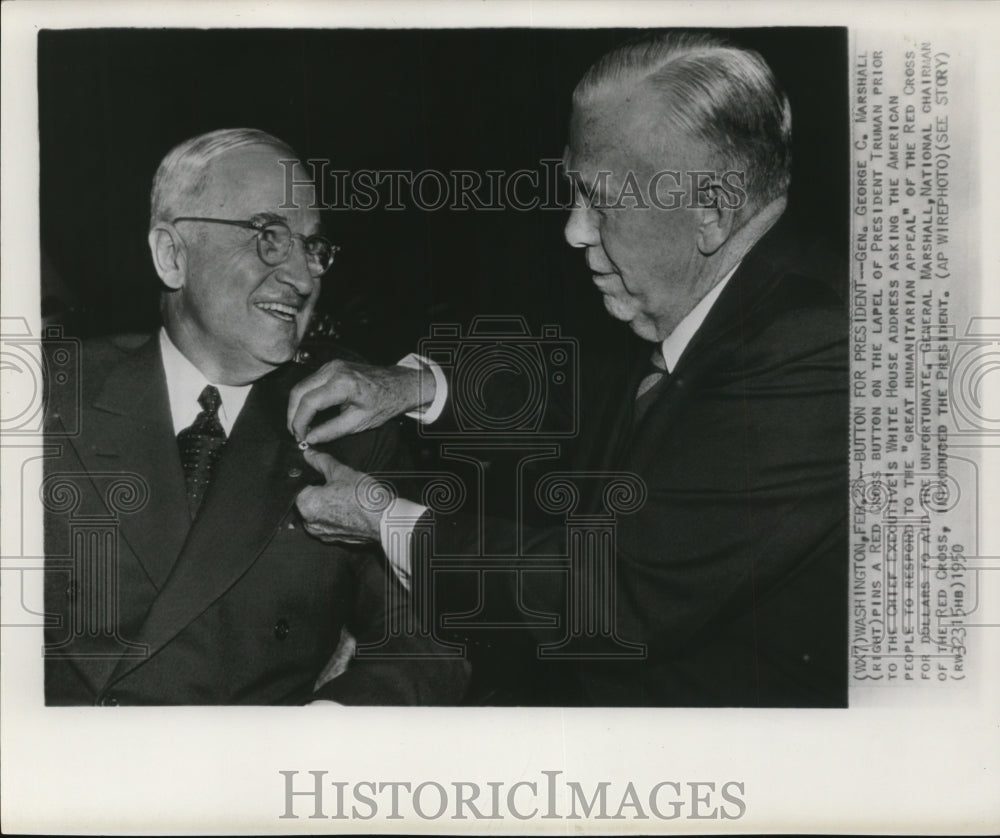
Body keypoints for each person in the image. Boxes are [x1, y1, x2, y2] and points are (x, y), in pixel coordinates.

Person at [288, 32, 849, 707]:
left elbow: (610, 595)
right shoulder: (732, 296)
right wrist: (418, 386)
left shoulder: (819, 347)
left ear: (712, 211)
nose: (574, 230)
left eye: (600, 201)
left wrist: (385, 519)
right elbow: (594, 391)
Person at [43, 128, 468, 705]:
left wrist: (319, 731)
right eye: (268, 236)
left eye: (312, 247)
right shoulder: (48, 396)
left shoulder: (350, 429)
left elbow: (429, 644)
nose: (304, 278)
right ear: (172, 256)